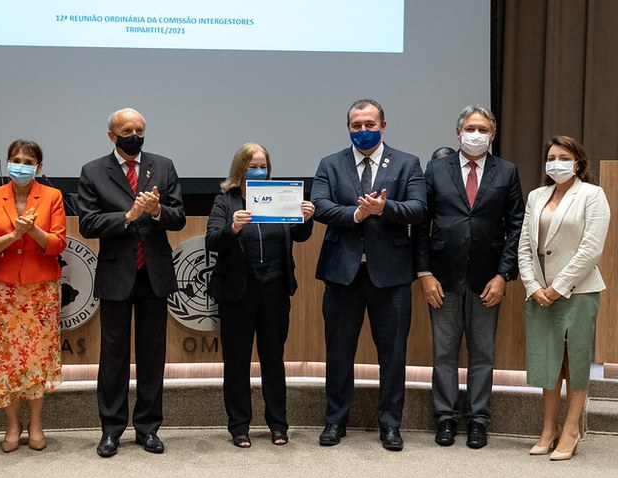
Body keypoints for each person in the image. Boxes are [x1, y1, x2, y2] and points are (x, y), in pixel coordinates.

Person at [311, 99, 427, 451]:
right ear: (348, 127)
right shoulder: (330, 163)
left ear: (383, 125)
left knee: (392, 355)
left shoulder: (408, 163)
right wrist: (357, 216)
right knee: (338, 352)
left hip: (390, 278)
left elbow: (419, 208)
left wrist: (384, 208)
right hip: (342, 275)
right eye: (357, 125)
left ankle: (390, 425)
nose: (363, 131)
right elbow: (320, 206)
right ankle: (335, 421)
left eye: (370, 124)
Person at [78, 108, 186, 458]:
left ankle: (148, 428)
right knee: (113, 355)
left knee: (153, 355)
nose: (135, 135)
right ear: (112, 135)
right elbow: (88, 224)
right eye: (127, 130)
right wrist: (128, 216)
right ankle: (111, 429)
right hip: (116, 274)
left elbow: (179, 217)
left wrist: (156, 211)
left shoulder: (163, 165)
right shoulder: (94, 171)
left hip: (153, 273)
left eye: (140, 129)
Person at [415, 105, 524, 449]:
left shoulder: (506, 171)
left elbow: (517, 226)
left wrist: (504, 275)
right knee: (443, 353)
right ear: (458, 132)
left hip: (487, 277)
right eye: (470, 128)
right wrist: (424, 272)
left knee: (482, 353)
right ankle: (445, 418)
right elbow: (420, 224)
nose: (476, 134)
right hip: (442, 276)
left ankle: (478, 420)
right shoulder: (435, 169)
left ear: (492, 135)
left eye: (482, 129)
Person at [206, 143, 314, 448]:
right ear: (240, 168)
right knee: (237, 362)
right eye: (253, 165)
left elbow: (300, 235)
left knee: (273, 360)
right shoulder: (225, 201)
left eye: (263, 165)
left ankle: (278, 424)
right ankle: (239, 426)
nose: (259, 170)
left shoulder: (280, 197)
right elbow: (213, 240)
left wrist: (307, 218)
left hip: (275, 291)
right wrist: (233, 228)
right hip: (237, 294)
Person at [519, 135, 610, 461]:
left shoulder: (592, 194)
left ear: (578, 163)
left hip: (577, 290)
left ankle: (571, 429)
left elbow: (591, 248)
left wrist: (559, 287)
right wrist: (533, 285)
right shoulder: (536, 195)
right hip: (539, 290)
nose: (556, 162)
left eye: (563, 156)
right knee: (548, 362)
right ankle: (548, 429)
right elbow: (525, 246)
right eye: (551, 157)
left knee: (574, 361)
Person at [0, 140, 67, 452]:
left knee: (36, 360)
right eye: (16, 159)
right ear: (7, 161)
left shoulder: (52, 196)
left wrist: (32, 231)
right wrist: (13, 235)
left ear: (38, 167)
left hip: (40, 291)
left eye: (28, 161)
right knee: (6, 361)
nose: (21, 165)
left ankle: (36, 424)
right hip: (1, 291)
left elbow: (57, 244)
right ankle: (12, 425)